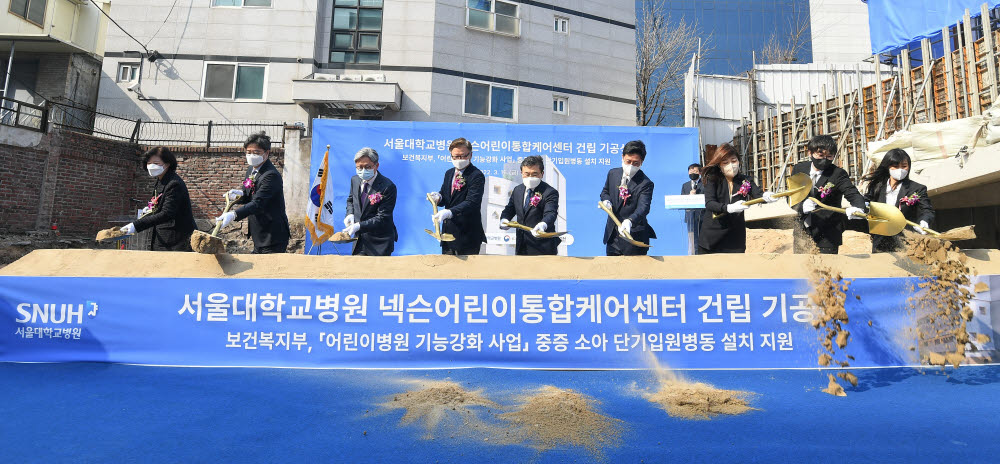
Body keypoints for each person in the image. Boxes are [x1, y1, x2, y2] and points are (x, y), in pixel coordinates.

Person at [216, 132, 291, 254]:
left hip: (272, 234)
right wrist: (239, 195)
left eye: (256, 152)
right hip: (259, 232)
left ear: (266, 153)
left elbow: (258, 203)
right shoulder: (252, 168)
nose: (251, 155)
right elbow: (248, 193)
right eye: (248, 152)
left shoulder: (271, 175)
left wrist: (234, 214)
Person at [791, 135, 867, 254]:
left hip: (827, 233)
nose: (824, 160)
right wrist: (801, 206)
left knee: (826, 270)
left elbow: (852, 193)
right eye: (820, 155)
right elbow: (791, 197)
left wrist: (859, 207)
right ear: (810, 153)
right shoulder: (799, 169)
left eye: (829, 156)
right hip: (802, 231)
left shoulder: (837, 174)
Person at [698, 144, 778, 254]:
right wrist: (728, 208)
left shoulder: (745, 180)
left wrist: (765, 197)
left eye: (734, 161)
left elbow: (757, 193)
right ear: (719, 165)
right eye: (725, 163)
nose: (731, 165)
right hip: (712, 236)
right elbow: (710, 203)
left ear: (738, 161)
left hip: (735, 238)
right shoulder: (712, 179)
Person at [120, 146, 196, 251]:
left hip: (175, 239)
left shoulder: (174, 184)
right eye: (149, 163)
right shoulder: (160, 180)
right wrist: (150, 209)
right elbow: (159, 204)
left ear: (167, 164)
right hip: (163, 237)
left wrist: (136, 226)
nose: (151, 166)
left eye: (156, 163)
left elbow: (167, 213)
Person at [863, 148, 935, 252]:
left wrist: (924, 221)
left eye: (904, 166)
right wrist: (861, 206)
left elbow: (926, 210)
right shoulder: (877, 187)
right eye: (895, 166)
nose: (900, 170)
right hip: (880, 243)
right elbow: (867, 202)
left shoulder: (917, 189)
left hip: (906, 242)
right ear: (888, 166)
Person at [428, 137, 487, 255]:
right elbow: (445, 197)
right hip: (448, 234)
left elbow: (472, 202)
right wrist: (437, 198)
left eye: (463, 156)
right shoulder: (449, 173)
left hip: (467, 235)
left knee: (467, 272)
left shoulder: (476, 175)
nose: (459, 159)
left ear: (470, 155)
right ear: (451, 155)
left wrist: (450, 212)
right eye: (456, 156)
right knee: (448, 271)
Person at [599, 140, 655, 255]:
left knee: (632, 272)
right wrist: (606, 200)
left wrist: (630, 221)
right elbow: (605, 191)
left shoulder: (645, 183)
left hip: (633, 236)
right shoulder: (613, 173)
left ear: (642, 162)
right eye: (628, 161)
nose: (631, 166)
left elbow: (643, 208)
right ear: (622, 157)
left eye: (636, 163)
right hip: (613, 235)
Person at [499, 155, 560, 256]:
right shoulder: (517, 190)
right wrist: (504, 219)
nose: (530, 177)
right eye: (527, 174)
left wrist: (543, 224)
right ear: (521, 173)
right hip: (522, 246)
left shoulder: (550, 192)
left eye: (534, 174)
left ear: (542, 174)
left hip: (543, 248)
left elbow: (551, 213)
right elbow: (509, 209)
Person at [344, 147, 398, 256]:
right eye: (359, 167)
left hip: (379, 242)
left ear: (376, 166)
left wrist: (359, 225)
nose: (363, 171)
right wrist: (350, 213)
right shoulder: (355, 180)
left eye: (367, 167)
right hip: (359, 240)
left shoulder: (388, 186)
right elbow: (351, 199)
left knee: (377, 273)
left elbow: (383, 217)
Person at [681, 163, 703, 255]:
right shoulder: (685, 185)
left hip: (702, 216)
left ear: (700, 172)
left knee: (702, 239)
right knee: (692, 240)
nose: (692, 173)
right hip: (690, 217)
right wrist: (689, 197)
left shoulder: (705, 183)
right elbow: (681, 200)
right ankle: (693, 256)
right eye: (690, 171)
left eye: (695, 171)